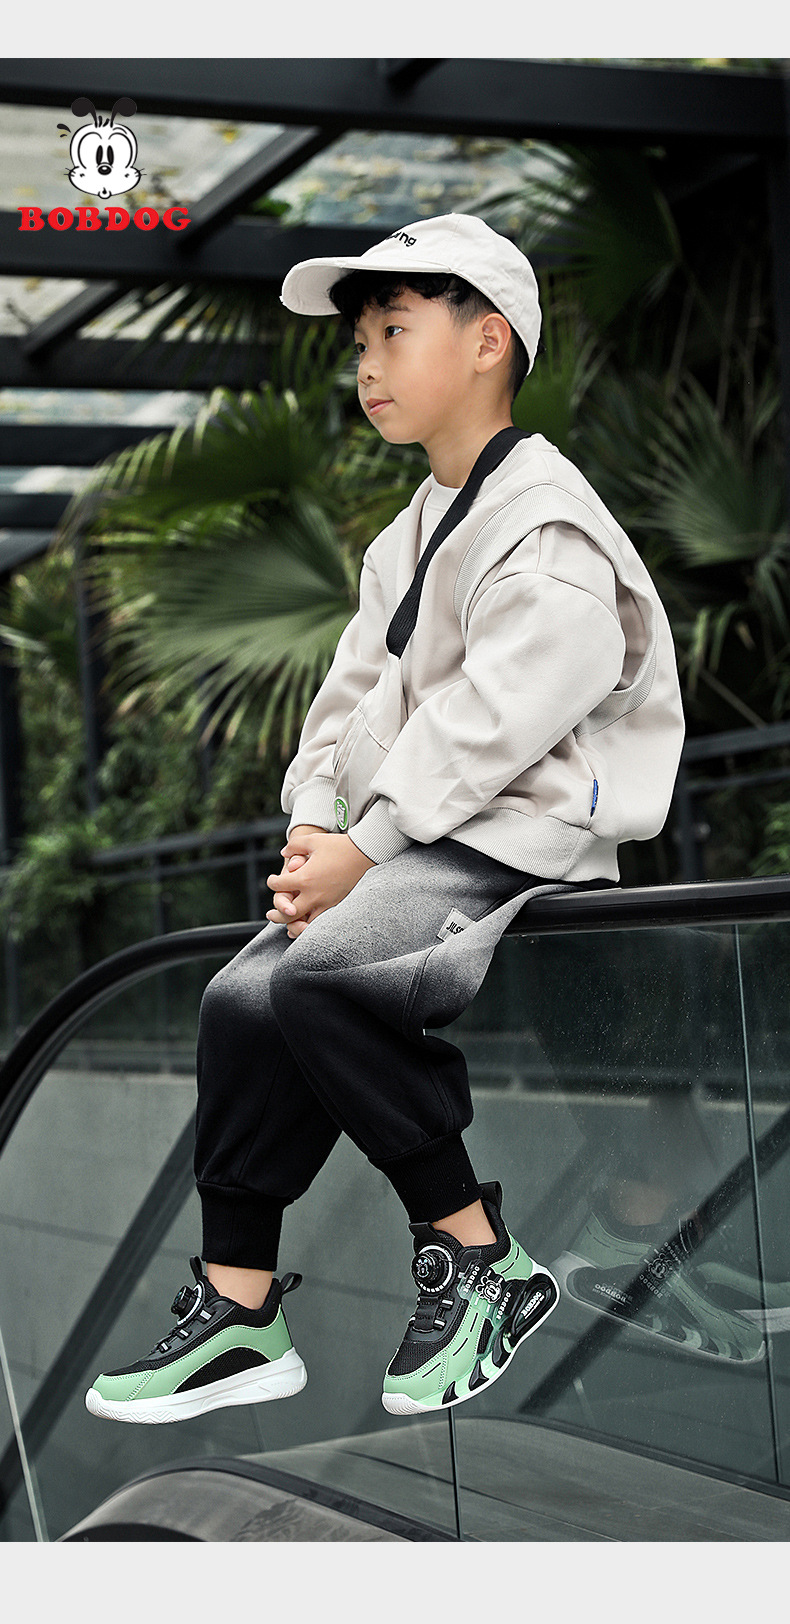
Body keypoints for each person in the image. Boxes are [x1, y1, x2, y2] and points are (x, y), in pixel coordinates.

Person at [85, 213, 685, 1425]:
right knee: (241, 997)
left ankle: (478, 1256)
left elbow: (500, 719)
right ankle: (239, 1308)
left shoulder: (547, 522)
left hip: (525, 840)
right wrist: (318, 825)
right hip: (418, 842)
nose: (366, 364)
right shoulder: (415, 526)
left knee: (326, 980)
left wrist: (365, 844)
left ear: (488, 341)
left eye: (394, 332)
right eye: (361, 341)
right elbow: (349, 700)